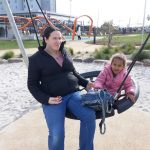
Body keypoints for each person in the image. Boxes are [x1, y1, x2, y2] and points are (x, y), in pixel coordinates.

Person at [27, 26, 96, 150]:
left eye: (60, 38)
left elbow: (73, 72)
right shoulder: (36, 59)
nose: (58, 41)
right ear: (46, 39)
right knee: (57, 133)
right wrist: (46, 99)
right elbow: (32, 84)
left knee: (89, 115)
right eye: (54, 38)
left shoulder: (65, 52)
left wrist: (85, 83)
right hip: (54, 99)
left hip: (73, 94)